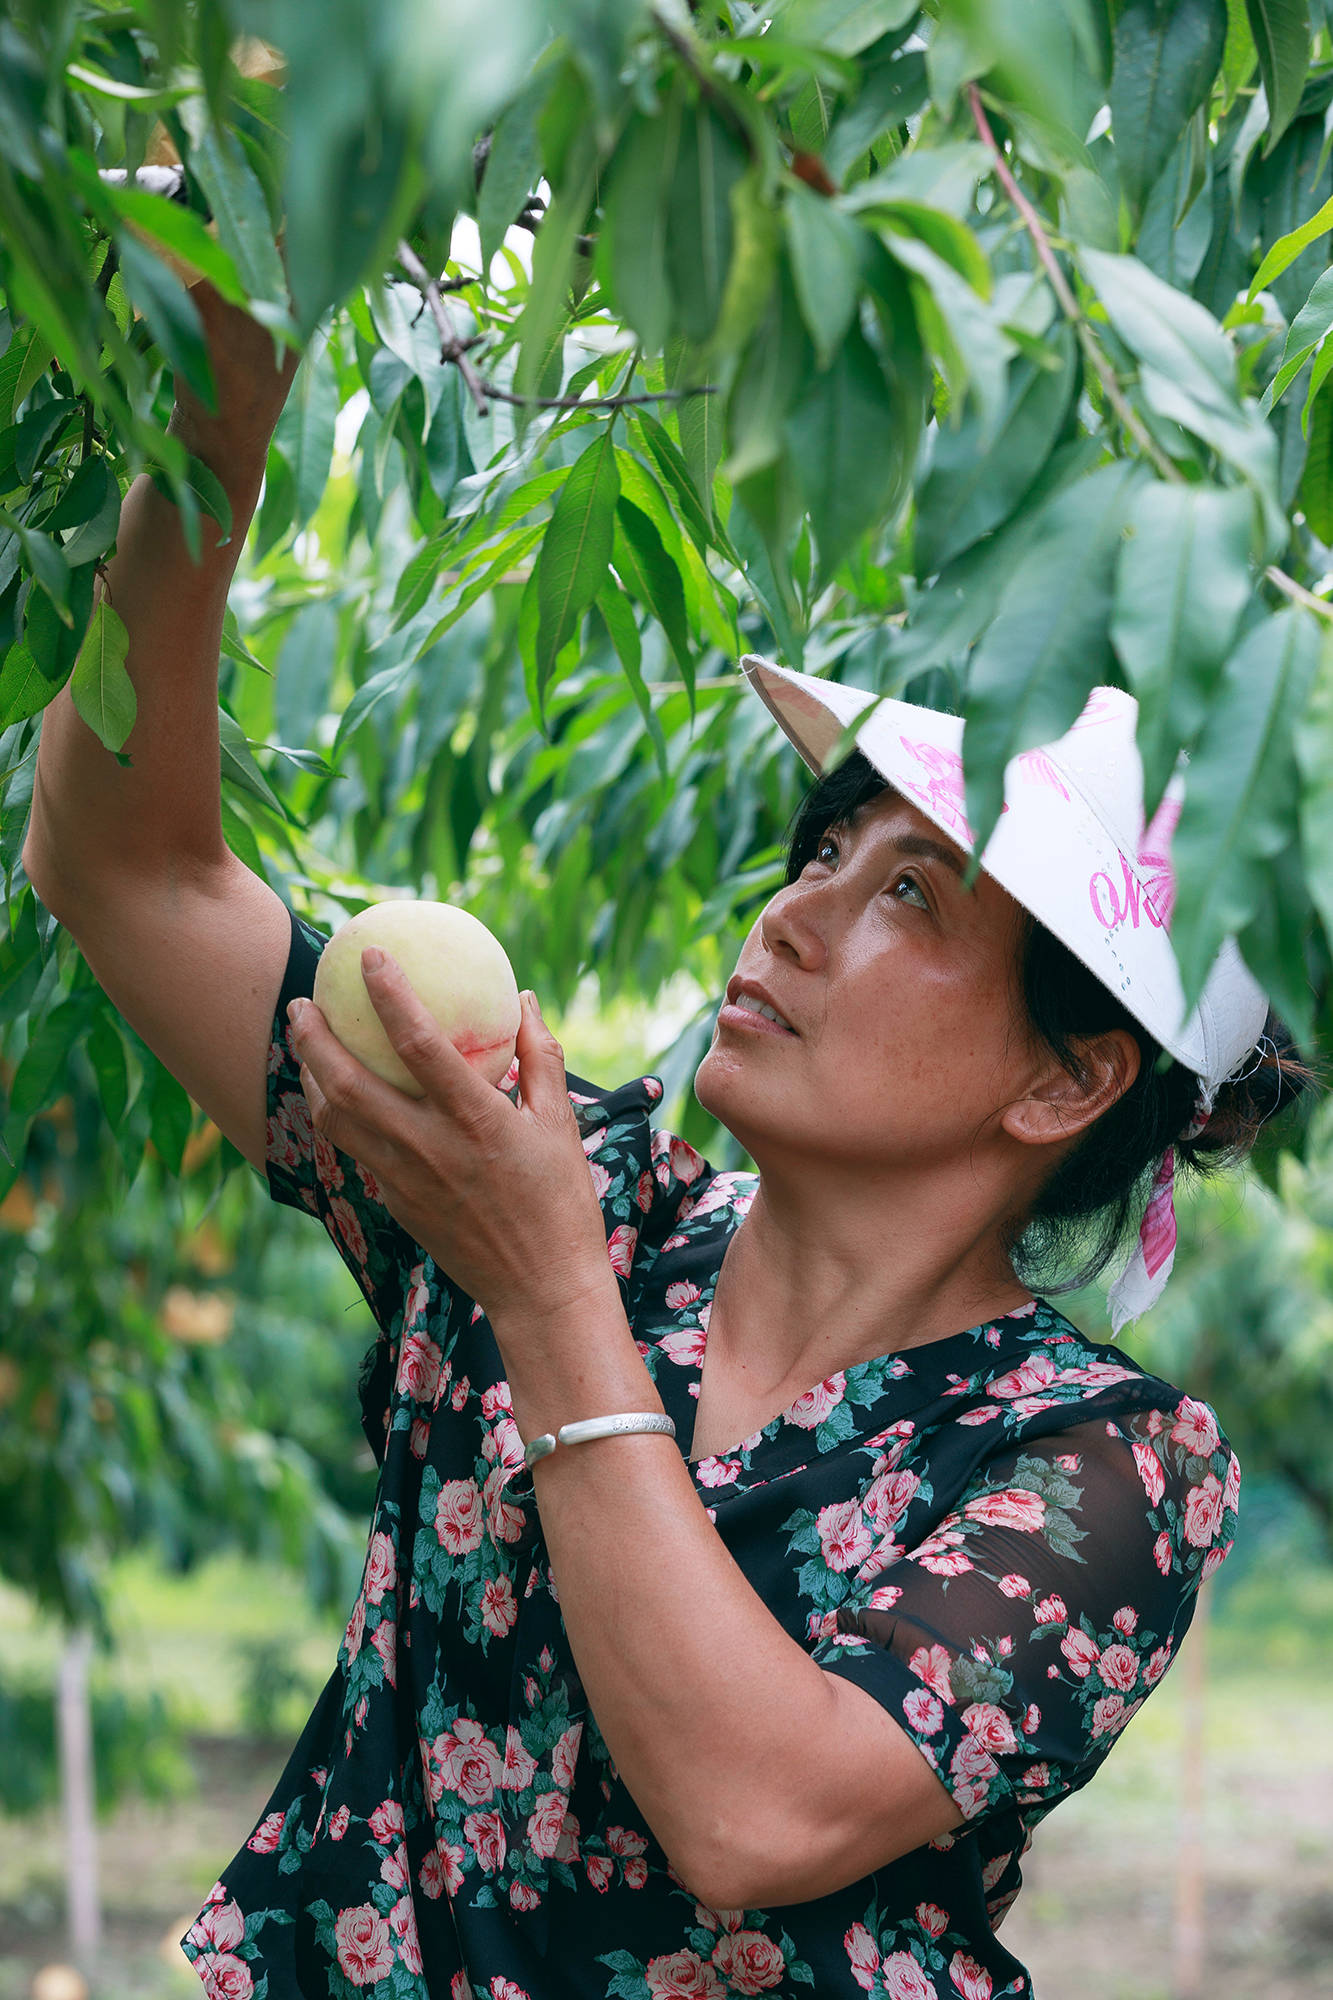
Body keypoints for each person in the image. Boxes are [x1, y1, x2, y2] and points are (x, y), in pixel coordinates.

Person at [21, 291, 1311, 2000]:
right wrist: (212, 433)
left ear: (1066, 1086)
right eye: (826, 850)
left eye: (906, 895)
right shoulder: (584, 1188)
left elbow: (755, 1812)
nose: (793, 912)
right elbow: (129, 867)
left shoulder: (1101, 1466)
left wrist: (542, 1283)